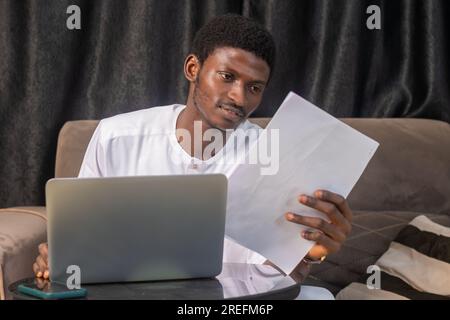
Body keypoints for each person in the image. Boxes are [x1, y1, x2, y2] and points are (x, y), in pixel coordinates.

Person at [33, 14, 352, 299]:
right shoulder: (117, 137)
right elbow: (83, 241)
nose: (239, 97)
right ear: (193, 68)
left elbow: (278, 278)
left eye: (254, 87)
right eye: (227, 77)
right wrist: (62, 257)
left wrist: (310, 254)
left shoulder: (275, 155)